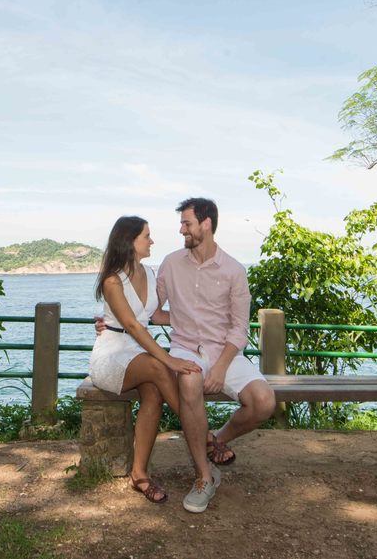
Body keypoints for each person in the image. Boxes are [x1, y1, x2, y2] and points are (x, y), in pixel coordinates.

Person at [97, 198, 277, 514]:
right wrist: (109, 322)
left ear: (206, 224)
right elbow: (146, 313)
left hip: (224, 352)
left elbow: (239, 329)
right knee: (189, 380)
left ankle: (214, 439)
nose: (181, 230)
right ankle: (204, 475)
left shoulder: (234, 270)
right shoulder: (169, 264)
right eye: (182, 223)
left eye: (187, 223)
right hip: (183, 348)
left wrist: (220, 367)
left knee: (264, 402)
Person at [88, 215, 209, 505]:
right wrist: (170, 360)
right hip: (112, 353)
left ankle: (139, 474)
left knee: (154, 392)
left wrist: (199, 320)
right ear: (130, 241)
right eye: (146, 236)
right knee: (158, 367)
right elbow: (132, 325)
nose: (151, 241)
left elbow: (154, 316)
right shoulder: (112, 280)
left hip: (139, 352)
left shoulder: (150, 273)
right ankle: (205, 437)